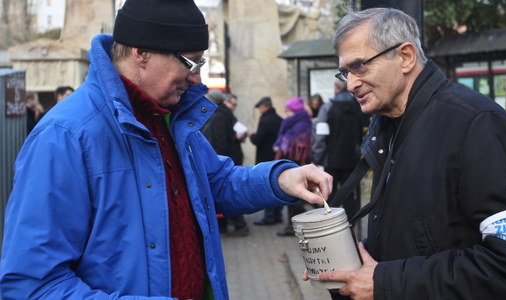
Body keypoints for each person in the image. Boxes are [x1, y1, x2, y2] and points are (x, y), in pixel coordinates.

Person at [0, 0, 333, 299]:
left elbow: (215, 182)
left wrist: (280, 179)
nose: (196, 78)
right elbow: (33, 284)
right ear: (141, 53)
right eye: (190, 63)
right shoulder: (64, 136)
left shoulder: (167, 118)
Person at [314, 7, 506, 300]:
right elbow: (421, 235)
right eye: (345, 71)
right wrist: (349, 268)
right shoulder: (392, 124)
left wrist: (386, 282)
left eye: (360, 67)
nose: (351, 84)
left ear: (405, 56)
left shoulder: (479, 125)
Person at [312, 79, 368, 221]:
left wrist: (318, 157)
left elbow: (321, 136)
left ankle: (330, 225)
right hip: (352, 159)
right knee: (349, 194)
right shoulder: (358, 107)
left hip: (331, 159)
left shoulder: (327, 108)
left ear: (336, 89)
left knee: (329, 193)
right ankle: (351, 225)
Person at [202, 90, 249, 236]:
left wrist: (214, 161)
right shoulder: (225, 113)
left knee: (226, 193)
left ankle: (240, 225)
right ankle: (223, 226)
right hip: (230, 156)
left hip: (223, 159)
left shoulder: (218, 116)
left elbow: (220, 142)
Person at [273, 96, 313, 236]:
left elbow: (296, 144)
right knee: (291, 196)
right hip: (291, 162)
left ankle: (297, 225)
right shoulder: (294, 122)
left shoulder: (300, 123)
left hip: (295, 162)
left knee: (293, 196)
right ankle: (294, 225)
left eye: (288, 110)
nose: (286, 113)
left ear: (294, 110)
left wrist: (281, 147)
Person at [249, 96, 284, 225]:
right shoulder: (280, 119)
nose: (259, 110)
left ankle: (269, 217)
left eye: (260, 107)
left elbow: (258, 140)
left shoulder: (265, 120)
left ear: (264, 106)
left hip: (265, 159)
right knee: (278, 186)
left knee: (267, 187)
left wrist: (252, 136)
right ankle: (278, 214)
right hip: (277, 158)